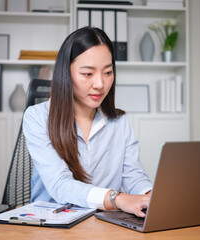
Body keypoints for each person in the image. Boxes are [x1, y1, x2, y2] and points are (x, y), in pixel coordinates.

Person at [23, 27, 152, 217]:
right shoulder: (38, 117)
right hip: (52, 224)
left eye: (107, 72)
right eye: (88, 74)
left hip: (103, 223)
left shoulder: (120, 122)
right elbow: (60, 184)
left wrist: (150, 196)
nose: (100, 84)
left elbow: (133, 175)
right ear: (66, 73)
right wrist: (117, 198)